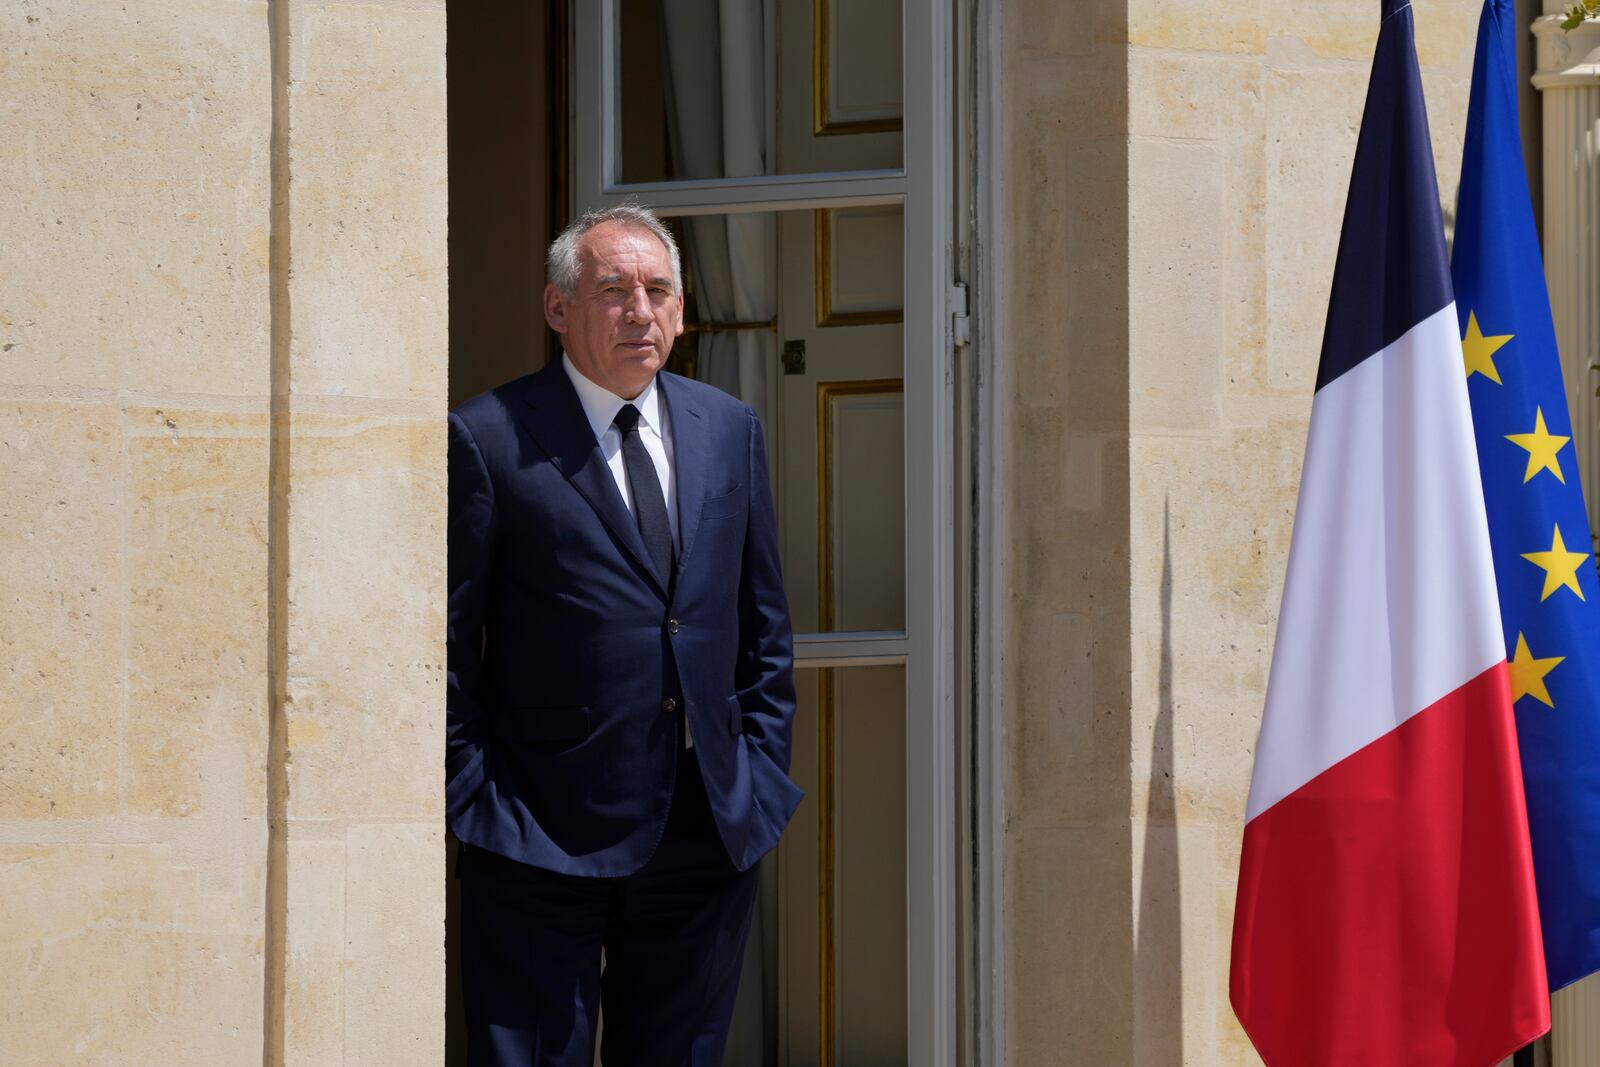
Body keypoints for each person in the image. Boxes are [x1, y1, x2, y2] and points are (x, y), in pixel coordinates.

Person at [446, 203, 802, 1066]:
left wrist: (753, 776)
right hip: (538, 834)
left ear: (681, 311)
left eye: (657, 290)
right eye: (612, 290)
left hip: (703, 827)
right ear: (558, 308)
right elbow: (447, 648)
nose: (639, 310)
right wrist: (476, 798)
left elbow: (764, 631)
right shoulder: (488, 439)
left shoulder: (729, 429)